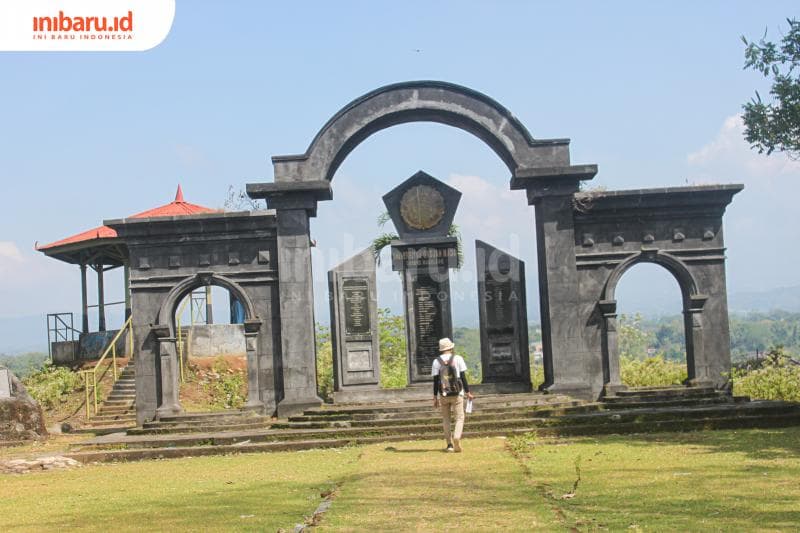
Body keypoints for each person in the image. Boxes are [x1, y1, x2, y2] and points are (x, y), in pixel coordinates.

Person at [432, 337, 474, 453]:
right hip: (457, 393)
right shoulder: (458, 359)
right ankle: (456, 437)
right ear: (451, 347)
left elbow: (436, 381)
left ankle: (449, 445)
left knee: (446, 419)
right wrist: (468, 392)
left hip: (443, 394)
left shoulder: (436, 361)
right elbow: (463, 377)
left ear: (441, 349)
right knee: (459, 417)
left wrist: (435, 397)